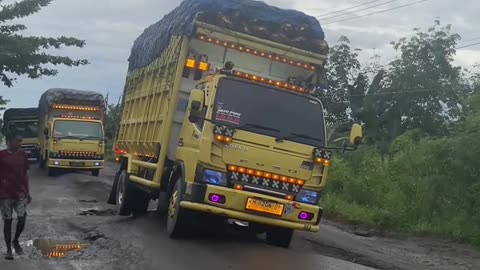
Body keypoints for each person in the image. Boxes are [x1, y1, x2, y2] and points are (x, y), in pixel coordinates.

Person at [0, 133, 31, 260]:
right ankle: (8, 250)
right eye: (18, 141)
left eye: (20, 141)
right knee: (7, 221)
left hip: (20, 193)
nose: (20, 143)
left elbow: (26, 174)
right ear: (9, 141)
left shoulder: (23, 155)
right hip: (5, 194)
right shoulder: (1, 155)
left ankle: (16, 240)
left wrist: (28, 192)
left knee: (22, 218)